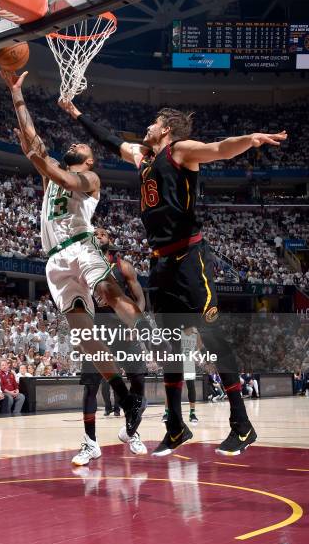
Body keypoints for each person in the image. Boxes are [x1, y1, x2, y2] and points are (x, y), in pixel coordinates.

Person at [60, 100, 287, 456]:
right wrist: (76, 114)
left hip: (189, 259)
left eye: (153, 123)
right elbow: (108, 140)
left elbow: (218, 149)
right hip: (161, 264)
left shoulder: (179, 152)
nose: (147, 126)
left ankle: (242, 425)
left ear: (165, 128)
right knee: (169, 346)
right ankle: (176, 427)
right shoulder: (143, 157)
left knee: (211, 337)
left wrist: (250, 139)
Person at [0, 69, 152, 438]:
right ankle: (123, 395)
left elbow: (61, 177)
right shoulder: (48, 170)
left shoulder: (90, 180)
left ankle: (150, 334)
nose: (78, 146)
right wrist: (17, 94)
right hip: (54, 260)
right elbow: (34, 140)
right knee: (84, 338)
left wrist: (35, 157)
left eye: (83, 148)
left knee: (109, 293)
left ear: (88, 161)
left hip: (82, 246)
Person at [72, 228, 148, 466]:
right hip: (97, 330)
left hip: (123, 329)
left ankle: (131, 431)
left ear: (110, 240)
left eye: (103, 233)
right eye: (95, 232)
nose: (99, 234)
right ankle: (90, 443)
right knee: (90, 386)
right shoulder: (82, 267)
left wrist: (134, 322)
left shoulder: (122, 266)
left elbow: (140, 298)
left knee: (139, 379)